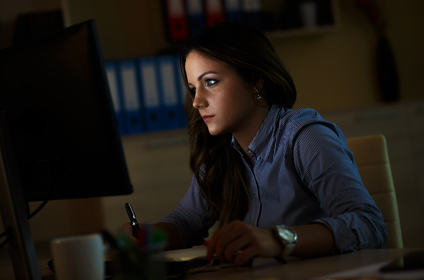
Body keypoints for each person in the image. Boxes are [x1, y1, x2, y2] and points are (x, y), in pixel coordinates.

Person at [124, 22, 387, 266]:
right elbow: (186, 221)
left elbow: (369, 225)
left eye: (211, 82)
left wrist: (278, 239)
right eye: (193, 88)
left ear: (255, 79)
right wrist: (147, 236)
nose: (197, 101)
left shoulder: (306, 137)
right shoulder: (220, 152)